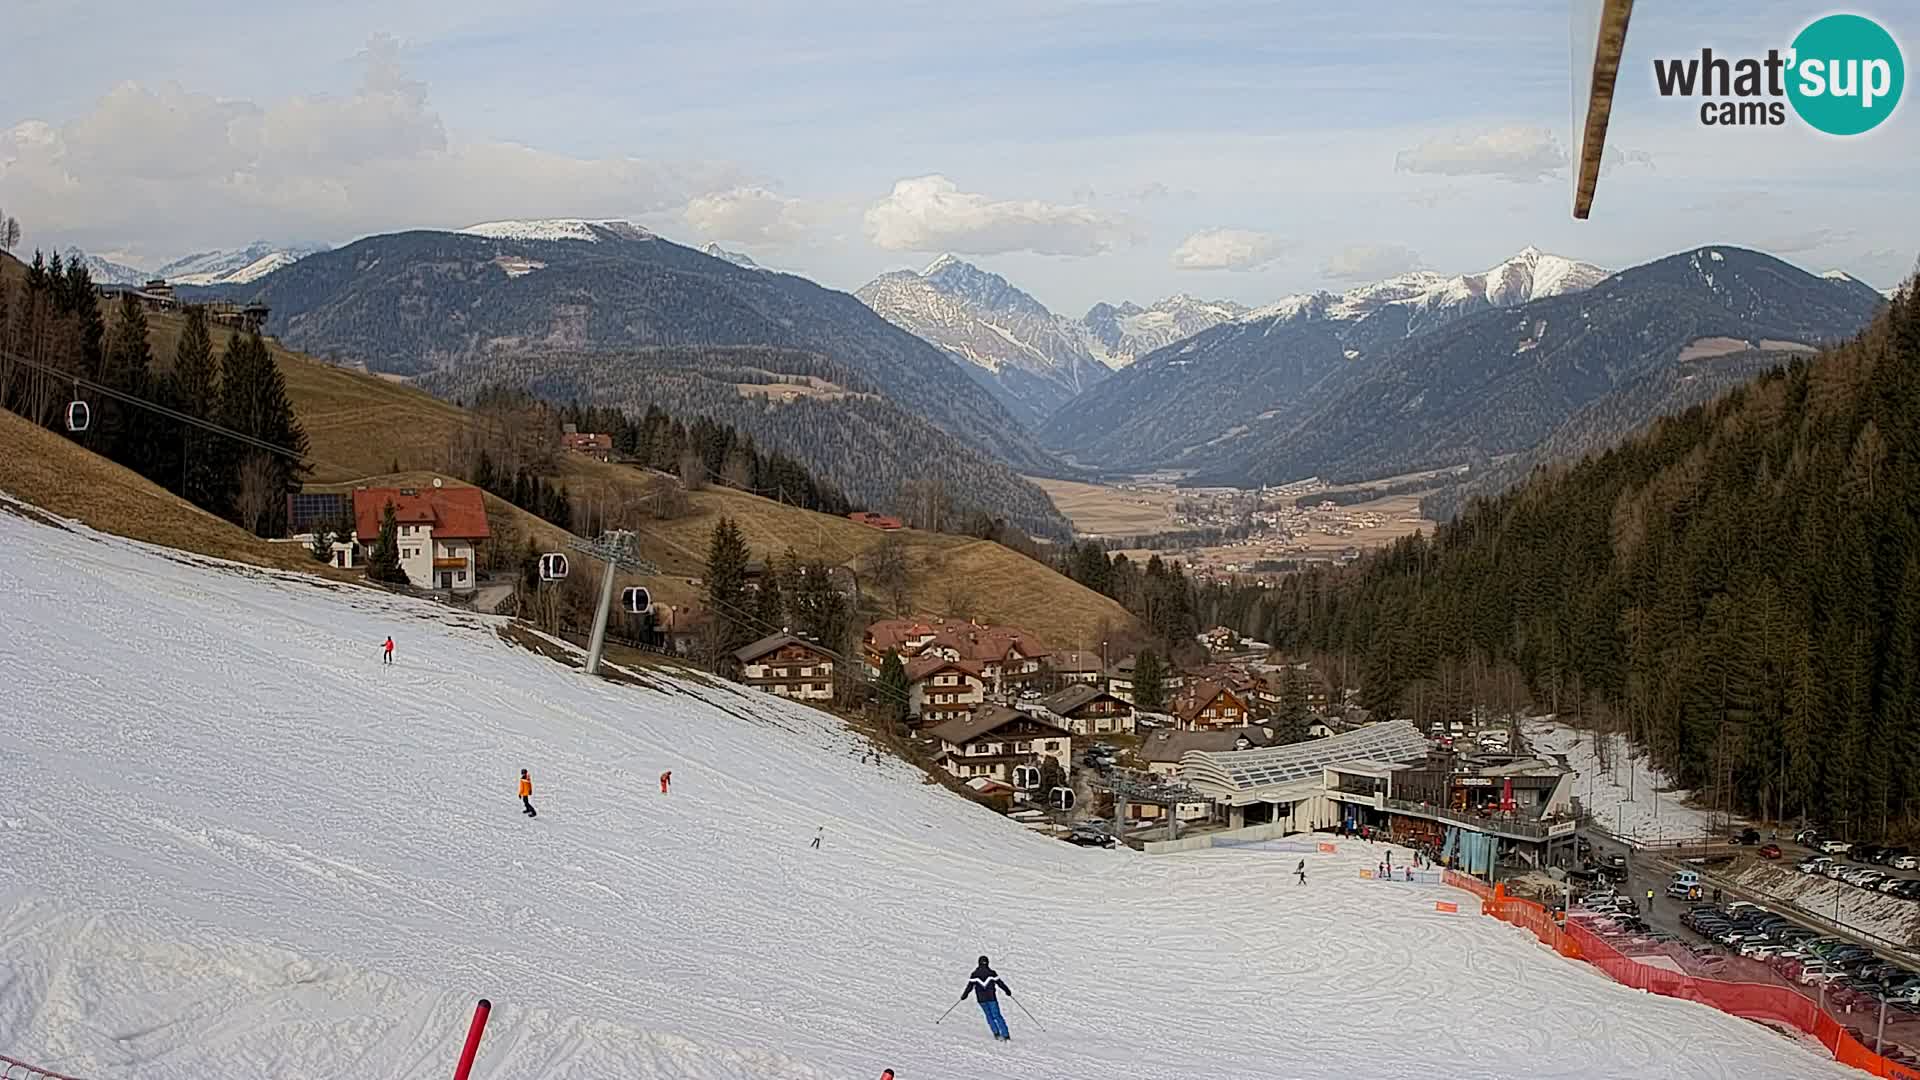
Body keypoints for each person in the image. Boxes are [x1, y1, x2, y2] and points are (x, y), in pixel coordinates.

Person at [960, 956, 1013, 1041]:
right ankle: (1005, 1034)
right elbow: (1000, 983)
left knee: (989, 1015)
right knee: (997, 1015)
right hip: (991, 997)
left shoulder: (975, 974)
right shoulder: (991, 973)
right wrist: (1007, 991)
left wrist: (964, 995)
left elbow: (969, 987)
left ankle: (996, 1033)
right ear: (987, 963)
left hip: (981, 999)